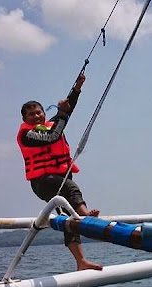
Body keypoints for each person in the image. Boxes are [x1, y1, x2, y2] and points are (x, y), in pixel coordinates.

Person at [17, 74, 103, 270]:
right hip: (43, 182)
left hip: (59, 178)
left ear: (44, 114)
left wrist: (77, 88)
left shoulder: (51, 124)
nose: (37, 116)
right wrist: (63, 114)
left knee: (68, 220)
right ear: (25, 119)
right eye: (32, 114)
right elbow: (53, 136)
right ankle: (86, 215)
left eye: (39, 112)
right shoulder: (27, 134)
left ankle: (81, 261)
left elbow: (66, 112)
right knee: (71, 188)